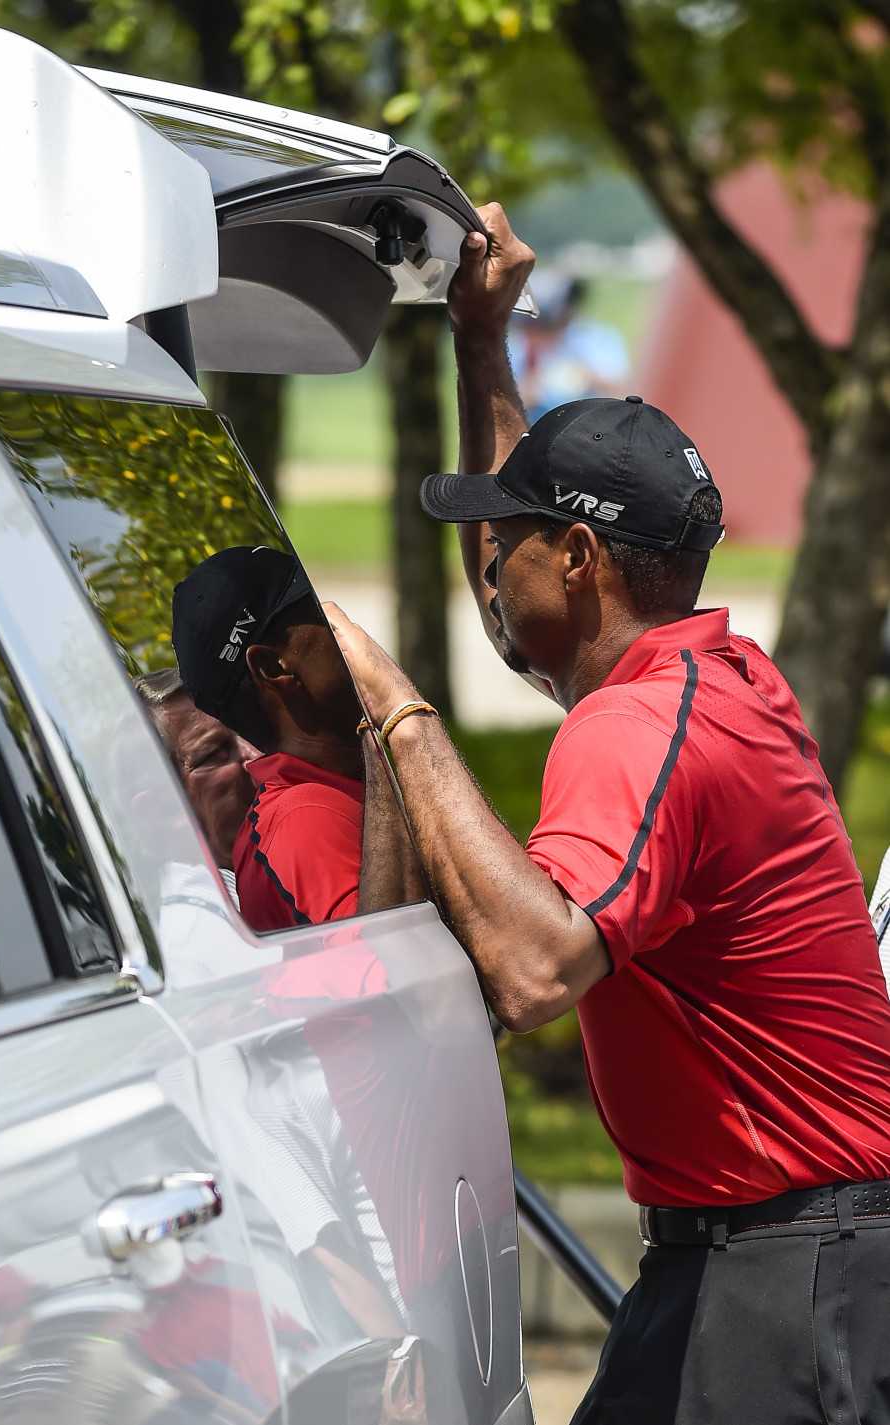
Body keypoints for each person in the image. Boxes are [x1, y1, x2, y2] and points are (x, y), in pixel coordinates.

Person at [325, 204, 890, 1425]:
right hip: (767, 1255)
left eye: (513, 543)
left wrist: (391, 706)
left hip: (790, 1279)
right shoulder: (705, 676)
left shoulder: (641, 727)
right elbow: (511, 605)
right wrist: (481, 343)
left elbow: (534, 968)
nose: (489, 568)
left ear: (579, 560)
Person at [172, 544, 420, 933]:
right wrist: (397, 718)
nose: (342, 625)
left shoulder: (326, 793)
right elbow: (392, 957)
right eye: (318, 614)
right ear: (274, 668)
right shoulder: (301, 821)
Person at [134, 667, 259, 892]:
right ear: (158, 813)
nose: (256, 756)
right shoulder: (201, 912)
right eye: (214, 754)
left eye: (253, 733)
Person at [509, 275, 628, 423]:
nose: (535, 334)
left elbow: (622, 393)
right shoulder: (517, 345)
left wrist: (586, 377)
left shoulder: (595, 339)